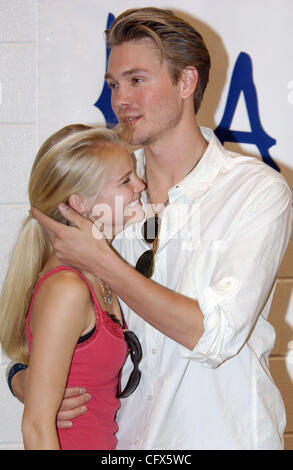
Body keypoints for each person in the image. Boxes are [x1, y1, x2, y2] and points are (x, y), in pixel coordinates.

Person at [8, 7, 293, 450]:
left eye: (137, 80)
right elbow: (48, 307)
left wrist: (104, 262)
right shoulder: (107, 190)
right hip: (129, 442)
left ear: (186, 82)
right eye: (114, 84)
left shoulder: (256, 191)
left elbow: (216, 334)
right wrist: (24, 379)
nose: (120, 98)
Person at [0, 124, 145, 449]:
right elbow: (36, 428)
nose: (140, 185)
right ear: (79, 202)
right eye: (126, 180)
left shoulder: (97, 272)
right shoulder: (67, 287)